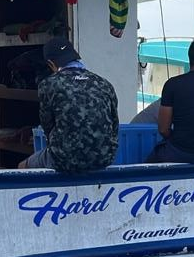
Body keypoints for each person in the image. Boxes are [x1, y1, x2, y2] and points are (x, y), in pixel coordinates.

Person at [20, 37, 119, 172]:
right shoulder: (104, 84)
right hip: (104, 159)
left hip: (65, 159)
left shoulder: (48, 84)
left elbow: (47, 125)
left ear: (51, 64)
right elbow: (114, 125)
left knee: (22, 166)